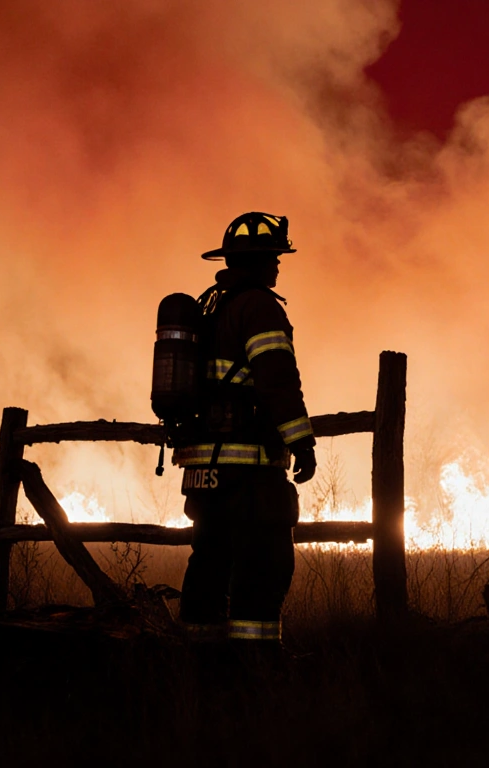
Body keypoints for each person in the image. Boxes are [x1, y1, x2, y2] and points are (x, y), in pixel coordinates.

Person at [174, 211, 317, 648]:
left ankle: (199, 663)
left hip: (204, 471)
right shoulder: (258, 306)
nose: (278, 265)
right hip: (248, 470)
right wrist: (301, 441)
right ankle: (254, 671)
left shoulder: (214, 305)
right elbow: (276, 380)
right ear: (255, 261)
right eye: (273, 257)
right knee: (265, 567)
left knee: (210, 564)